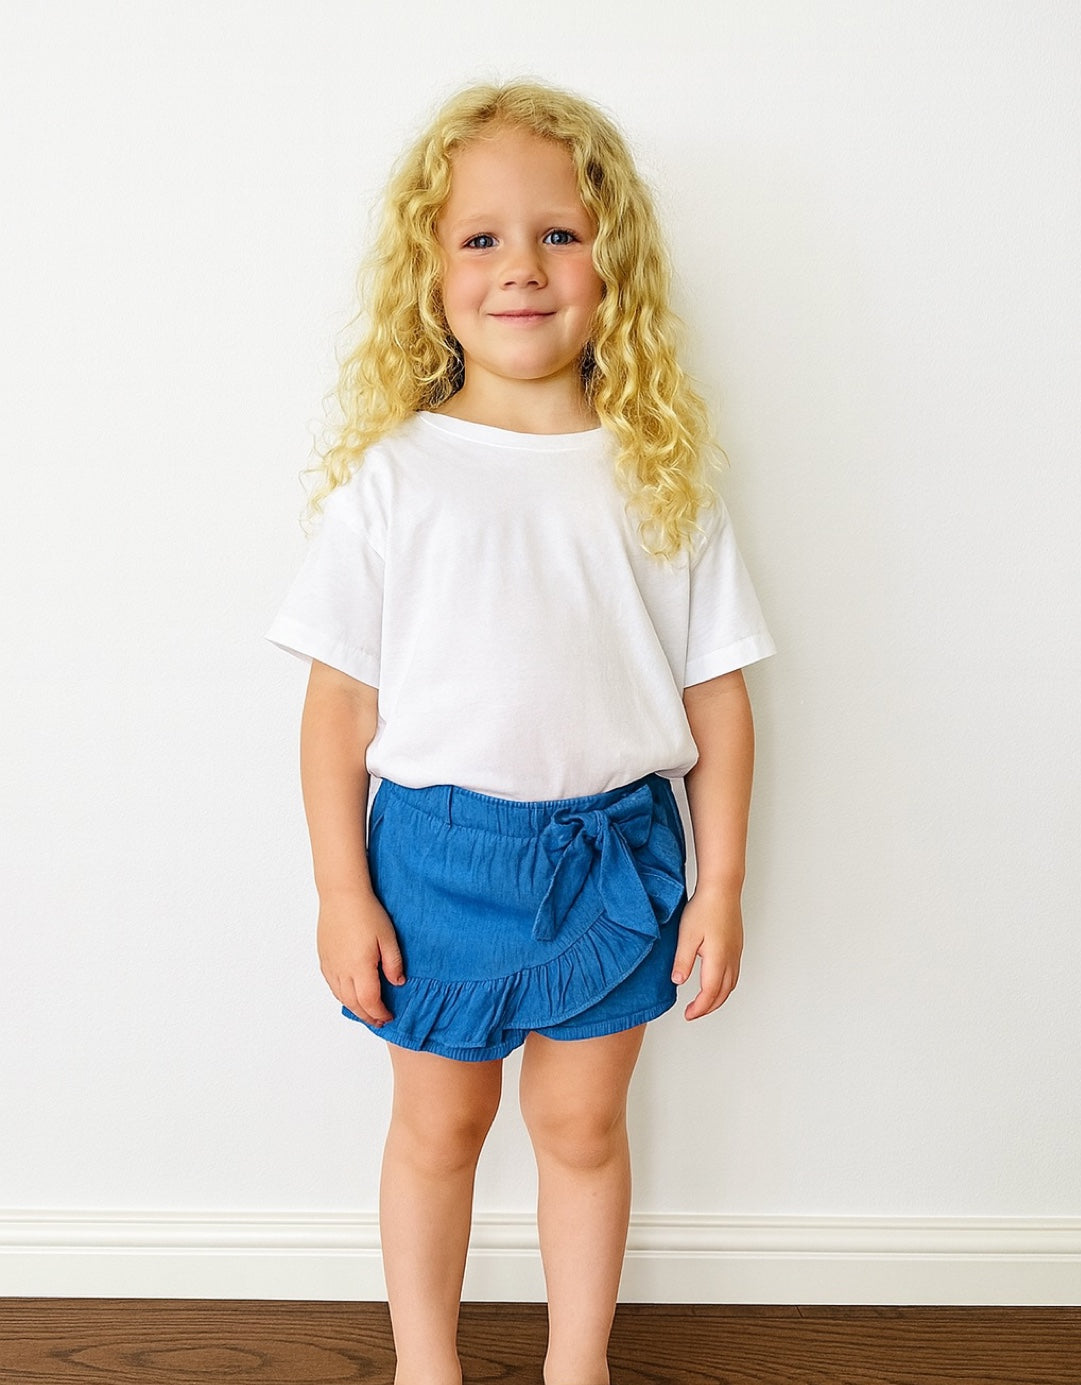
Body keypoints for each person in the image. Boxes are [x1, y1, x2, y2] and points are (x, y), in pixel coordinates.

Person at [267, 79, 775, 1385]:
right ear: (430, 271)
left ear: (612, 259)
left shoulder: (657, 469)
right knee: (438, 1127)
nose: (522, 268)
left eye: (557, 232)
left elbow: (718, 696)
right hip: (435, 860)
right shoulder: (396, 477)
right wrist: (339, 889)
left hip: (616, 859)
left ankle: (577, 1362)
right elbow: (339, 707)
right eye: (481, 237)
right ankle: (424, 1363)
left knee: (582, 1122)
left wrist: (717, 879)